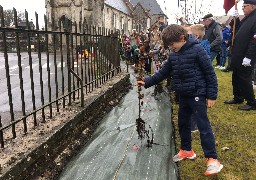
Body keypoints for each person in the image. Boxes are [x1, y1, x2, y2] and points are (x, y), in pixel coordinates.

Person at [137, 24, 223, 176]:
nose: (171, 47)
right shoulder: (174, 54)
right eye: (169, 45)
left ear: (182, 38)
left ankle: (212, 159)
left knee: (203, 126)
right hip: (183, 95)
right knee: (183, 123)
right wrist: (148, 81)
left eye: (172, 44)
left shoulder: (198, 50)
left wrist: (212, 95)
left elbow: (210, 74)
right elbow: (164, 72)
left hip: (197, 94)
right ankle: (187, 150)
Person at [224, 0, 256, 111]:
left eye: (245, 6)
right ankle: (238, 97)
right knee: (236, 76)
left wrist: (249, 57)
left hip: (246, 56)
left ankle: (251, 102)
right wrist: (236, 19)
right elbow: (238, 29)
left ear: (253, 6)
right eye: (242, 6)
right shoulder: (248, 18)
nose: (242, 8)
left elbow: (254, 41)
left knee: (244, 78)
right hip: (238, 54)